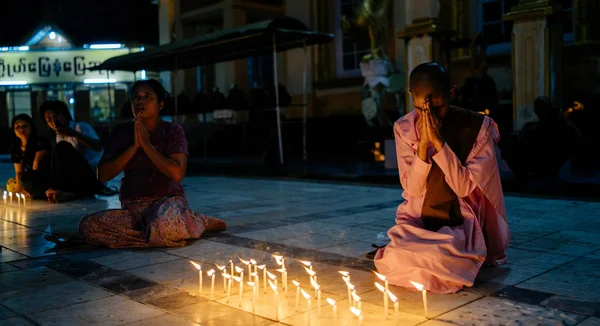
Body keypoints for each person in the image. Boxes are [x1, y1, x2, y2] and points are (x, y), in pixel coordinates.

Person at [373, 62, 510, 294]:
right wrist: (423, 145)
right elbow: (413, 189)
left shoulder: (478, 128)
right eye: (421, 108)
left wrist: (440, 144)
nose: (429, 116)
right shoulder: (404, 128)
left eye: (438, 106)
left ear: (451, 93)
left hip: (459, 218)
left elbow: (464, 186)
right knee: (397, 255)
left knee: (439, 258)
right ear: (411, 97)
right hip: (417, 217)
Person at [78, 79, 226, 248]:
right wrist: (134, 146)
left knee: (164, 225)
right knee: (88, 226)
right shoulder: (121, 132)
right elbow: (102, 175)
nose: (140, 101)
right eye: (135, 97)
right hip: (133, 210)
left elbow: (177, 173)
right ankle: (158, 234)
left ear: (160, 104)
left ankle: (197, 221)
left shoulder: (172, 131)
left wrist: (147, 145)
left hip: (167, 204)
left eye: (147, 96)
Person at [40, 100, 114, 202]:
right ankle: (64, 192)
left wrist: (74, 134)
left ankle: (66, 191)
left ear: (64, 114)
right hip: (75, 177)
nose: (53, 121)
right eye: (49, 119)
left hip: (92, 176)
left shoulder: (80, 127)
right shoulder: (59, 136)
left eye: (56, 116)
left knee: (62, 147)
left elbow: (98, 146)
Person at [7, 114, 52, 198]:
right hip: (29, 177)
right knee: (11, 184)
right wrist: (20, 188)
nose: (21, 129)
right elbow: (19, 172)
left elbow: (36, 164)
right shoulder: (16, 147)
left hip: (45, 175)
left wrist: (29, 187)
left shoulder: (40, 141)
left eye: (25, 126)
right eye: (17, 127)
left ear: (31, 127)